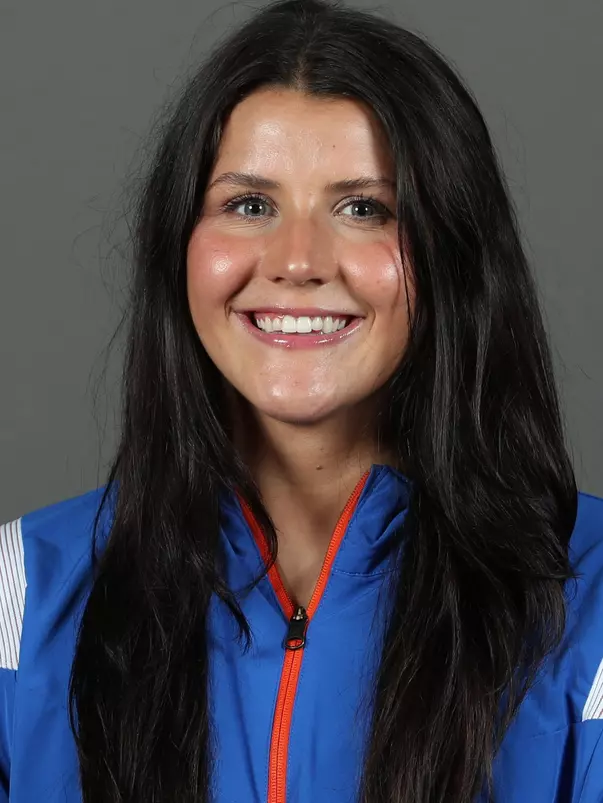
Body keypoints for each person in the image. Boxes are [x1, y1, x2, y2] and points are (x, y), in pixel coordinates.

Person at [1, 0, 602, 800]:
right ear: (179, 245)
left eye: (364, 209)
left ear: (454, 254)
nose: (296, 260)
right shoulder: (22, 597)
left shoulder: (589, 601)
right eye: (249, 204)